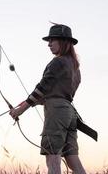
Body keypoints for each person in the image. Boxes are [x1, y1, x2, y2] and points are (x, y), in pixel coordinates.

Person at [10, 24, 86, 174]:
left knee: (52, 156)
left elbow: (42, 88)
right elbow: (59, 93)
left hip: (57, 113)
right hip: (69, 114)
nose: (49, 44)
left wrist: (21, 109)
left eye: (53, 40)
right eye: (48, 41)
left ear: (64, 41)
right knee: (72, 158)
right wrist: (35, 102)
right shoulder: (75, 67)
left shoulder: (58, 62)